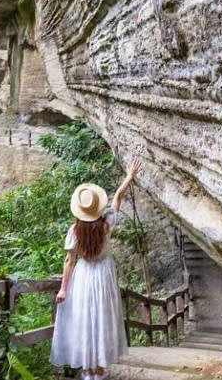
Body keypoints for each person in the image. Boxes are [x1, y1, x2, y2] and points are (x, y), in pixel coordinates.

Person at [50, 157, 142, 380]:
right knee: (101, 318)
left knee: (83, 319)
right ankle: (99, 371)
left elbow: (69, 261)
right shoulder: (107, 223)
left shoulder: (74, 231)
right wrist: (129, 176)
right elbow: (118, 198)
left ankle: (87, 372)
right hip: (103, 275)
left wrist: (63, 289)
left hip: (83, 276)